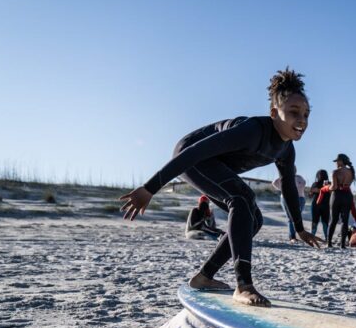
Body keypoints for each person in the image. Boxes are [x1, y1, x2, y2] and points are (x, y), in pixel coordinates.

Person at [119, 68, 322, 307]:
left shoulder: (287, 150)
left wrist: (299, 228)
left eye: (307, 114)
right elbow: (195, 152)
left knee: (254, 220)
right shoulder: (252, 131)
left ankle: (204, 276)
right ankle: (244, 286)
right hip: (190, 155)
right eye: (294, 112)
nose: (302, 120)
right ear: (274, 113)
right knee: (242, 197)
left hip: (213, 165)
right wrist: (150, 187)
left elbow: (288, 185)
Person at [326, 153, 356, 248]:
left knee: (333, 220)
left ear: (341, 161)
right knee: (345, 220)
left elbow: (334, 186)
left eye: (337, 161)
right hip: (347, 195)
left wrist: (327, 186)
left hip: (337, 195)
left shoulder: (335, 172)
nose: (336, 163)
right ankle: (342, 244)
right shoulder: (351, 171)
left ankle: (329, 243)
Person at [272, 169, 307, 242]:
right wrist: (283, 189)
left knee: (297, 217)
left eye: (294, 169)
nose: (293, 170)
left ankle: (295, 236)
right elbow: (274, 182)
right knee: (290, 217)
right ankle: (292, 237)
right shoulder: (284, 177)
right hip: (287, 198)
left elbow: (303, 184)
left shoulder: (299, 177)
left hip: (300, 198)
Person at [309, 170, 330, 241]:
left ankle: (313, 237)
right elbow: (310, 194)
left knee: (316, 221)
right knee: (324, 222)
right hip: (324, 205)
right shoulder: (329, 184)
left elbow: (310, 195)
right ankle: (327, 238)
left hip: (316, 205)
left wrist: (316, 190)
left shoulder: (316, 183)